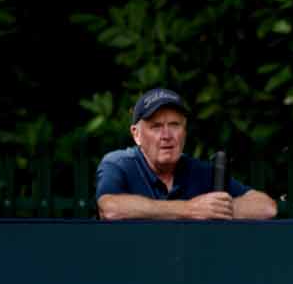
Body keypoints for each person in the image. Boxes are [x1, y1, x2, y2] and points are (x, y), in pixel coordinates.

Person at [95, 88, 278, 220]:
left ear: (185, 131)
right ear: (136, 134)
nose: (166, 135)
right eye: (156, 126)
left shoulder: (201, 171)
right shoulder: (119, 164)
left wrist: (216, 209)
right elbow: (110, 209)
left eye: (174, 125)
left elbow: (267, 208)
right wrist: (189, 209)